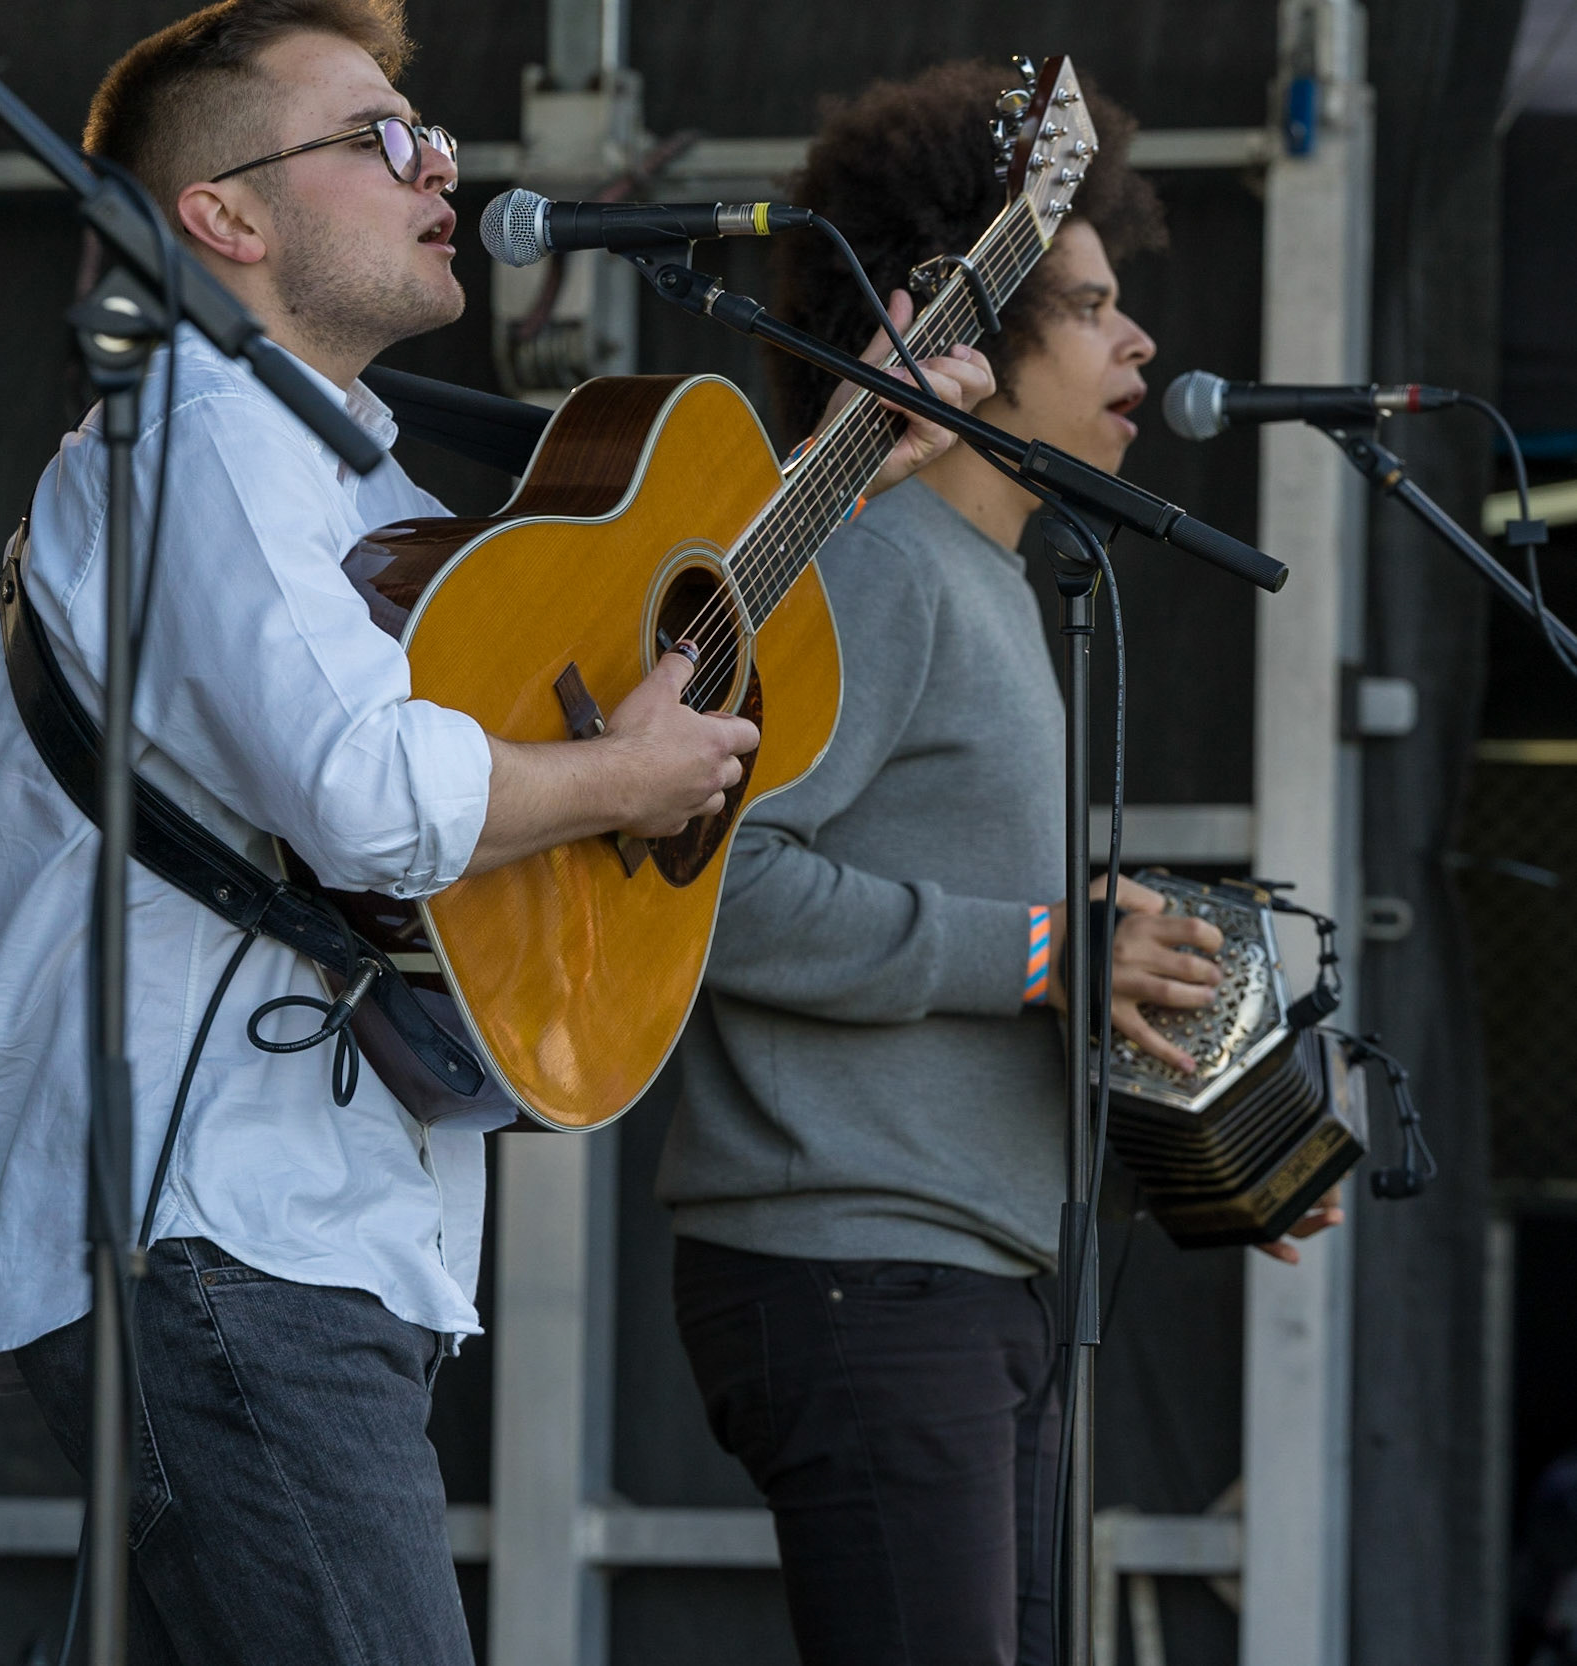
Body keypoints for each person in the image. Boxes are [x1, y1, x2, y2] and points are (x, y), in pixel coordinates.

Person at [0, 4, 991, 1662]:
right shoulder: (209, 432)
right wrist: (616, 788)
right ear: (222, 214)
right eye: (378, 138)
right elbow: (369, 795)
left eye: (426, 131)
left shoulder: (356, 498)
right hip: (217, 1232)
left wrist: (840, 475)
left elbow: (547, 695)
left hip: (294, 1237)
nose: (442, 162)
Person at [656, 61, 1344, 1666]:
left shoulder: (987, 581)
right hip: (858, 1274)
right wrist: (1046, 951)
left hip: (955, 1276)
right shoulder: (880, 567)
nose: (1138, 343)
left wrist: (1214, 1138)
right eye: (1091, 306)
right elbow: (717, 877)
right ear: (953, 323)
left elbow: (1007, 948)